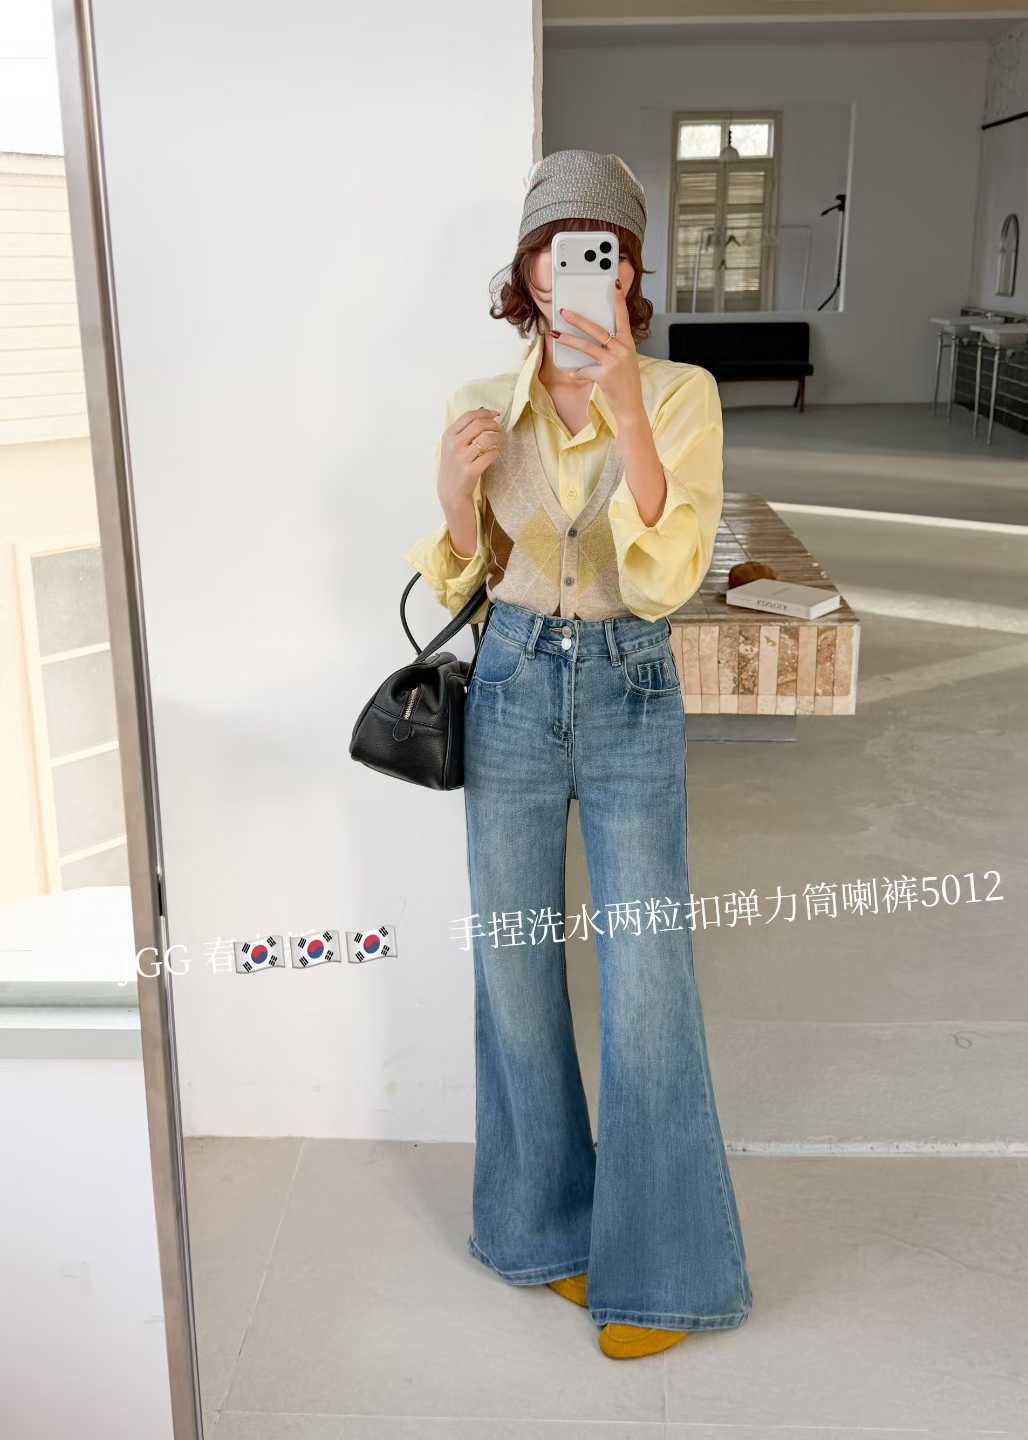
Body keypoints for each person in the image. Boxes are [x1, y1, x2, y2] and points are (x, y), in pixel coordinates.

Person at [402, 149, 752, 1360]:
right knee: (513, 967)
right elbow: (464, 576)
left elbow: (668, 579)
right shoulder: (479, 401)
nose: (575, 273)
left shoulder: (682, 395)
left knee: (648, 980)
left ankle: (662, 1271)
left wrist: (626, 415)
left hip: (626, 681)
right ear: (528, 270)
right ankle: (541, 1225)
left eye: (602, 251)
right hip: (507, 682)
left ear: (631, 272)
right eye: (555, 251)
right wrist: (456, 500)